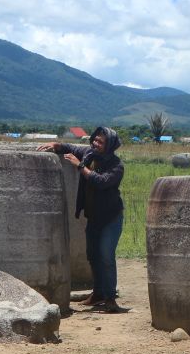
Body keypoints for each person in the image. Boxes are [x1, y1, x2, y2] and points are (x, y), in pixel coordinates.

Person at [38, 127, 127, 313]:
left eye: (100, 142)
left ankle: (110, 298)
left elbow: (101, 181)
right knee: (92, 255)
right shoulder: (89, 154)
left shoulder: (116, 166)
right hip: (93, 217)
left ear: (110, 145)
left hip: (111, 218)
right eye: (95, 139)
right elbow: (71, 148)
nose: (95, 143)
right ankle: (99, 293)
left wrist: (80, 166)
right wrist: (57, 145)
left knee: (106, 256)